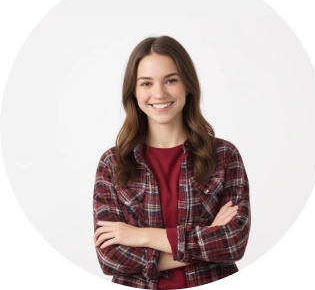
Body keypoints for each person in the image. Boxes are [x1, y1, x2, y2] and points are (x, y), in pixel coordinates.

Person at [93, 35, 251, 290]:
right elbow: (111, 258)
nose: (159, 93)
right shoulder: (113, 163)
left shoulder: (224, 155)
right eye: (146, 83)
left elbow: (233, 242)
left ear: (187, 85)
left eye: (171, 80)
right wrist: (206, 236)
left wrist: (143, 236)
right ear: (133, 92)